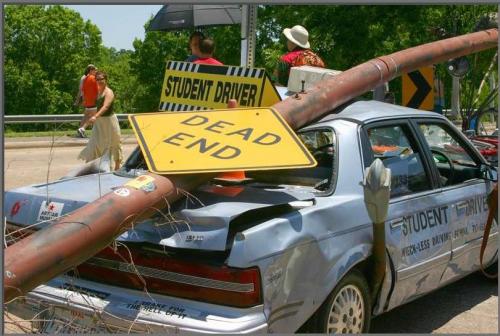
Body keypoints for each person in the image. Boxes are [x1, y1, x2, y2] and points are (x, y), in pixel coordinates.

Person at [78, 70, 122, 171]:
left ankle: (117, 167)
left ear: (106, 80)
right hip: (99, 122)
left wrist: (95, 116)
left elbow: (105, 107)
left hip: (109, 122)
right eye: (97, 79)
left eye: (101, 79)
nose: (99, 81)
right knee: (94, 144)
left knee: (114, 144)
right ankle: (91, 167)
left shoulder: (109, 92)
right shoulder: (97, 91)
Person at [77, 64, 99, 138]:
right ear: (91, 70)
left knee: (86, 116)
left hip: (87, 101)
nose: (96, 71)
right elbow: (98, 89)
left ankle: (80, 129)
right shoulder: (94, 78)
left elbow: (83, 90)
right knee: (94, 117)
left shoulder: (85, 78)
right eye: (95, 70)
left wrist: (83, 99)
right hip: (93, 100)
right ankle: (82, 129)